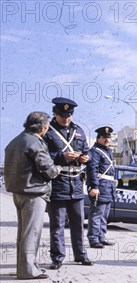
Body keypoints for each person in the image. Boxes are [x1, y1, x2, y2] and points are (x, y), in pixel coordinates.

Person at [4, 112, 62, 280]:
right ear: (42, 127)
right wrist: (57, 168)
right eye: (47, 126)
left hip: (18, 192)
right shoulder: (35, 142)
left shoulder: (15, 141)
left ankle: (23, 268)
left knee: (23, 232)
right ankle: (28, 270)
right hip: (34, 192)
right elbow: (49, 170)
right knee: (32, 233)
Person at [44, 97, 93, 269]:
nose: (66, 119)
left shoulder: (78, 130)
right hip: (57, 184)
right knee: (57, 224)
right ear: (55, 114)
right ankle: (57, 258)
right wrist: (61, 157)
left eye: (69, 116)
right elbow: (41, 156)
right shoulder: (47, 132)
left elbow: (87, 152)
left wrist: (86, 158)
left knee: (78, 223)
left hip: (76, 184)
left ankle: (81, 255)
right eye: (63, 116)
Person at [87, 126, 116, 248]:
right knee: (97, 213)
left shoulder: (108, 151)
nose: (107, 140)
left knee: (105, 214)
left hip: (109, 186)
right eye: (104, 137)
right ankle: (93, 238)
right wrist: (94, 186)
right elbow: (92, 169)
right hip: (100, 185)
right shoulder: (95, 151)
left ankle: (101, 237)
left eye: (108, 138)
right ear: (98, 138)